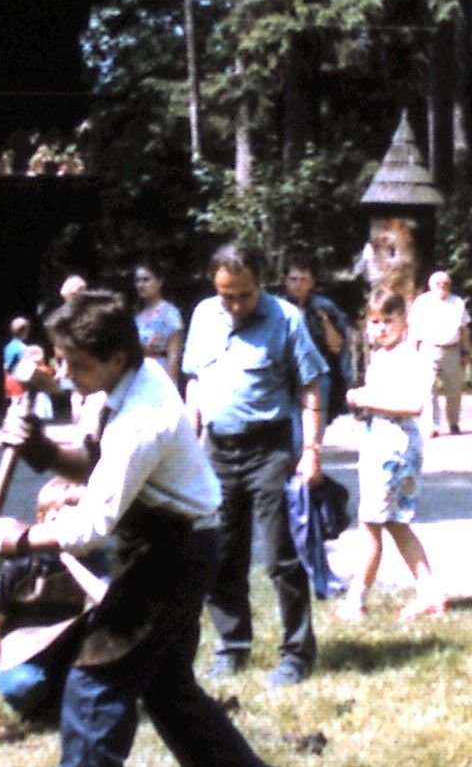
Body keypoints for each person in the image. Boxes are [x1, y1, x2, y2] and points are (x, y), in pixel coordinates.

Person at [0, 289, 291, 767]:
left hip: (176, 551)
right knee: (166, 686)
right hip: (164, 540)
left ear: (118, 357)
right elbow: (96, 467)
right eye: (60, 360)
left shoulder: (145, 416)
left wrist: (12, 537)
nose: (63, 374)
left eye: (76, 364)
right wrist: (40, 447)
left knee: (94, 687)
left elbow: (91, 524)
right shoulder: (115, 387)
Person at [181, 242, 329, 686]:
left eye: (244, 294)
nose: (236, 304)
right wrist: (189, 442)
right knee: (221, 554)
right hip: (217, 452)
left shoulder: (286, 318)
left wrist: (312, 451)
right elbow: (194, 382)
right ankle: (231, 646)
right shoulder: (204, 316)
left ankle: (297, 653)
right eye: (227, 294)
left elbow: (311, 385)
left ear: (259, 283)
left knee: (282, 556)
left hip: (271, 450)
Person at [336, 288, 444, 621]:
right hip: (378, 444)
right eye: (375, 321)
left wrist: (365, 399)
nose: (381, 328)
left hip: (394, 450)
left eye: (388, 320)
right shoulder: (381, 357)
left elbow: (412, 405)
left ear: (404, 322)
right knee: (396, 524)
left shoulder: (412, 357)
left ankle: (356, 600)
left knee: (370, 524)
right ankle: (430, 593)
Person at [0, 478, 103, 724]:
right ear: (41, 522)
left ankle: (67, 695)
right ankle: (54, 699)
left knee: (105, 619)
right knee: (25, 685)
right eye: (58, 520)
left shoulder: (90, 555)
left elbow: (105, 600)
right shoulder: (20, 562)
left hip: (64, 645)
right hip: (24, 650)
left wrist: (69, 558)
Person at [283, 259, 352, 423]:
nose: (298, 285)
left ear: (312, 282)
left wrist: (325, 321)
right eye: (293, 279)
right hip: (286, 379)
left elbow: (336, 347)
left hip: (319, 378)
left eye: (303, 280)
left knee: (314, 433)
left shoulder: (324, 308)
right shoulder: (278, 309)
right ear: (285, 281)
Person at [410, 269, 469, 434]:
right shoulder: (421, 303)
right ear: (431, 286)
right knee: (428, 389)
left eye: (446, 284)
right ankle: (432, 426)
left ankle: (454, 422)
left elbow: (464, 329)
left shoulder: (457, 302)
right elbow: (413, 329)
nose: (442, 287)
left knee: (454, 389)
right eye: (438, 284)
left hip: (452, 349)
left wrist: (466, 352)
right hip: (428, 348)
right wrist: (411, 351)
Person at [131, 266, 185, 385]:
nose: (141, 285)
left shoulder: (170, 314)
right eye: (137, 280)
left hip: (160, 375)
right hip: (138, 375)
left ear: (159, 282)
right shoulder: (138, 315)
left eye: (146, 280)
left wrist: (169, 387)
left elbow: (174, 356)